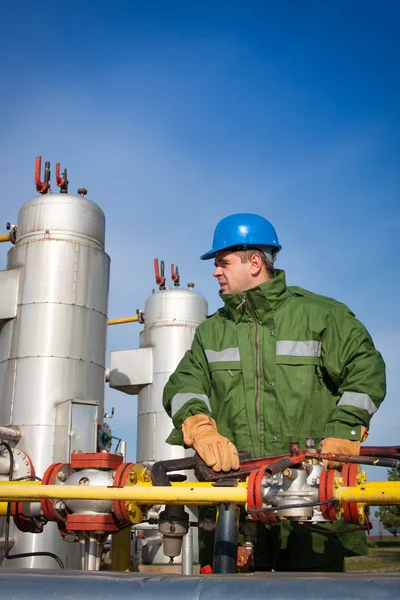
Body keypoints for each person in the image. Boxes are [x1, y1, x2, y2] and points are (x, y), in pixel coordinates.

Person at [163, 213, 386, 572]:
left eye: (222, 263)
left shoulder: (321, 316)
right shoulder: (211, 332)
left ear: (254, 262)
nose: (214, 272)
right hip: (235, 507)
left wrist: (345, 429)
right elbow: (183, 385)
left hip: (312, 507)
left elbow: (366, 369)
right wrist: (200, 427)